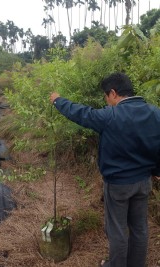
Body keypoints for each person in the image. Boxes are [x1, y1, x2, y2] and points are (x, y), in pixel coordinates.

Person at [49, 72, 160, 267]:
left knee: (117, 231)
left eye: (106, 96)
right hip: (143, 182)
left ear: (113, 93)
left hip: (118, 185)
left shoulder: (111, 115)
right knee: (140, 228)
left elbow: (81, 114)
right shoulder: (155, 113)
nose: (106, 101)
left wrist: (58, 101)